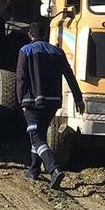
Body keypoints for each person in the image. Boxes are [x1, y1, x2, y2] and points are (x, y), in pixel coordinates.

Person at [15, 22, 85, 190]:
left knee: (36, 137)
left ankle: (53, 169)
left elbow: (21, 77)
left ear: (30, 35)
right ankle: (33, 170)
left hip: (33, 102)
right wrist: (78, 98)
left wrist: (21, 101)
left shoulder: (25, 50)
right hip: (53, 102)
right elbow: (69, 75)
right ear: (45, 34)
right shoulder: (57, 52)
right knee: (39, 134)